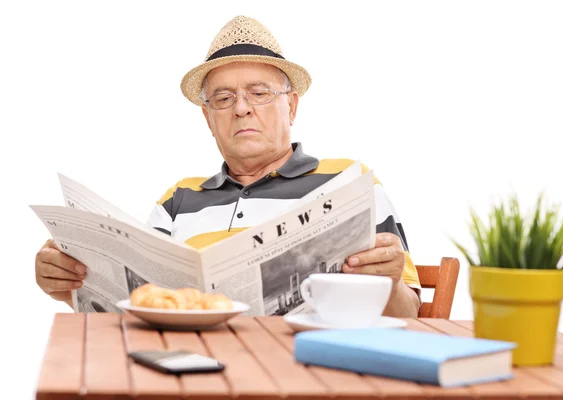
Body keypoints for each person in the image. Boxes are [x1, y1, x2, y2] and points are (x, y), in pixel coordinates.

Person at [34, 15, 421, 318]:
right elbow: (139, 306)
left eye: (259, 92)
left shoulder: (350, 182)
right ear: (208, 118)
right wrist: (69, 286)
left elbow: (411, 314)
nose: (241, 107)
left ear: (292, 106)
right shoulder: (177, 200)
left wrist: (390, 284)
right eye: (223, 97)